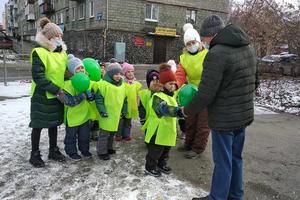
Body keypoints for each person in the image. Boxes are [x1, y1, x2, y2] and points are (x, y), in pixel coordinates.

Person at [183, 15, 257, 200]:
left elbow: (206, 93)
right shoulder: (248, 48)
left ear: (210, 35)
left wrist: (186, 110)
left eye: (204, 38)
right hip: (243, 115)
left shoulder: (216, 54)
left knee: (223, 161)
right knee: (236, 158)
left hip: (224, 119)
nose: (204, 42)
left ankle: (217, 197)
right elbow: (255, 82)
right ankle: (235, 195)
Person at [29, 17, 68, 167]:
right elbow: (38, 77)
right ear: (48, 37)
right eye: (56, 36)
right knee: (38, 124)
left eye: (60, 36)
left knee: (54, 123)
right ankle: (34, 154)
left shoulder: (62, 53)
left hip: (58, 94)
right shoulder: (38, 52)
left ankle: (53, 150)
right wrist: (56, 90)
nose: (59, 38)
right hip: (42, 94)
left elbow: (64, 72)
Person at [176, 23, 210, 159]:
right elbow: (180, 74)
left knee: (203, 123)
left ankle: (197, 148)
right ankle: (188, 144)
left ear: (199, 41)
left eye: (193, 42)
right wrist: (175, 84)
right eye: (188, 44)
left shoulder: (208, 55)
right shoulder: (183, 58)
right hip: (191, 94)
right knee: (190, 121)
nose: (191, 45)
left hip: (206, 93)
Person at [144, 64, 184, 177]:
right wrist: (178, 111)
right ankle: (150, 167)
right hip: (157, 132)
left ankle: (162, 164)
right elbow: (164, 109)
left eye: (174, 83)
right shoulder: (157, 96)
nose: (173, 86)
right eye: (170, 83)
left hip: (167, 131)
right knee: (155, 151)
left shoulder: (171, 96)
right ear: (162, 84)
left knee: (166, 150)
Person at [63, 55, 95, 161]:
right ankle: (71, 152)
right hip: (72, 117)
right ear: (72, 70)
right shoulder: (67, 84)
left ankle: (84, 150)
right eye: (77, 68)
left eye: (82, 67)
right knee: (71, 137)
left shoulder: (86, 81)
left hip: (84, 115)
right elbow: (69, 102)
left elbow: (91, 97)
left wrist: (90, 95)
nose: (81, 70)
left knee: (84, 136)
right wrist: (83, 95)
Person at [95, 63, 127, 160]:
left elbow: (125, 100)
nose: (118, 76)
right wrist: (102, 111)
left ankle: (109, 148)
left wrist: (123, 111)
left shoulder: (122, 86)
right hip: (106, 114)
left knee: (112, 133)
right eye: (116, 74)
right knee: (104, 134)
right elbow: (99, 100)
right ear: (110, 74)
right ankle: (101, 151)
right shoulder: (103, 85)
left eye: (120, 74)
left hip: (116, 114)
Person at [115, 62, 142, 141]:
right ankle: (118, 135)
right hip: (122, 106)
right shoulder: (122, 83)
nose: (130, 73)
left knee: (128, 122)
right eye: (128, 72)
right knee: (120, 121)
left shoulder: (136, 84)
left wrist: (137, 103)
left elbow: (138, 94)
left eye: (132, 71)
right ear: (124, 73)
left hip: (131, 106)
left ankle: (126, 135)